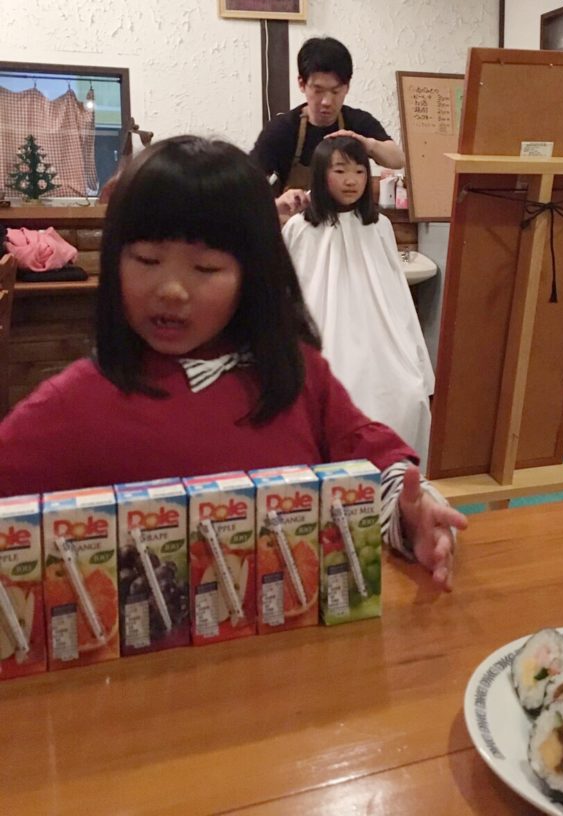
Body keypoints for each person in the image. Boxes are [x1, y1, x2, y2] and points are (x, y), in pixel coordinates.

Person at [0, 136, 465, 589]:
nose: (171, 290)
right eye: (146, 260)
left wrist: (412, 516)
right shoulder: (76, 401)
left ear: (254, 275)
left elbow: (370, 452)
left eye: (205, 268)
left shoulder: (295, 375)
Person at [283, 135, 434, 465]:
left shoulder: (378, 226)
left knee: (407, 394)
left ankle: (394, 478)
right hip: (321, 334)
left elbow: (395, 291)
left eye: (359, 171)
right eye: (340, 171)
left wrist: (411, 346)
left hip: (378, 333)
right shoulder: (300, 228)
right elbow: (288, 293)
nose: (351, 180)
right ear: (321, 174)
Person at [252, 37, 405, 220]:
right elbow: (247, 185)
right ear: (301, 84)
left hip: (347, 226)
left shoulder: (358, 122)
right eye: (318, 90)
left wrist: (369, 145)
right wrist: (277, 204)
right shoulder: (282, 129)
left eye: (335, 91)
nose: (327, 101)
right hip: (297, 226)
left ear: (347, 87)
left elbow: (398, 160)